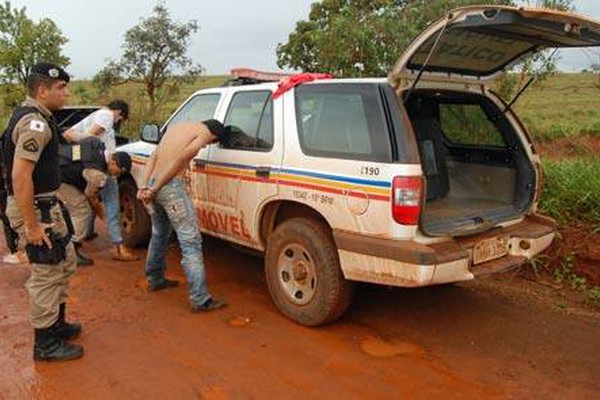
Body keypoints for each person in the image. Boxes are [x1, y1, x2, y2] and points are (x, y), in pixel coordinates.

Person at [2, 62, 83, 361]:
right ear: (42, 90)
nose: (67, 93)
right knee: (47, 273)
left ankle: (56, 325)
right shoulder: (34, 123)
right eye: (61, 88)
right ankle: (45, 344)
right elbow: (20, 177)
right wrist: (32, 226)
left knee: (65, 264)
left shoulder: (38, 117)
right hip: (36, 210)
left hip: (47, 205)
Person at [137, 120, 229, 312]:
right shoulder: (203, 133)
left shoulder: (178, 127)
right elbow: (181, 158)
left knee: (160, 233)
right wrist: (155, 188)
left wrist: (144, 186)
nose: (205, 145)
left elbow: (153, 157)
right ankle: (200, 299)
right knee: (191, 241)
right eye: (209, 143)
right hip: (169, 187)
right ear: (214, 136)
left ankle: (155, 278)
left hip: (154, 182)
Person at [62, 100, 138, 261]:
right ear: (119, 113)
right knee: (111, 206)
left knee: (89, 196)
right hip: (100, 167)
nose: (119, 123)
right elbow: (90, 137)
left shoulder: (99, 115)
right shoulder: (107, 115)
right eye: (121, 119)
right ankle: (118, 247)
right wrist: (102, 157)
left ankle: (87, 232)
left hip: (90, 167)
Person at [58, 137, 133, 266]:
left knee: (76, 207)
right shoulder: (99, 175)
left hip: (57, 162)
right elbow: (91, 197)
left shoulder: (97, 143)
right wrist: (102, 215)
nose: (116, 176)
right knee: (81, 209)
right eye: (118, 172)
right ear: (113, 162)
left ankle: (68, 244)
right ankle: (71, 252)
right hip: (61, 178)